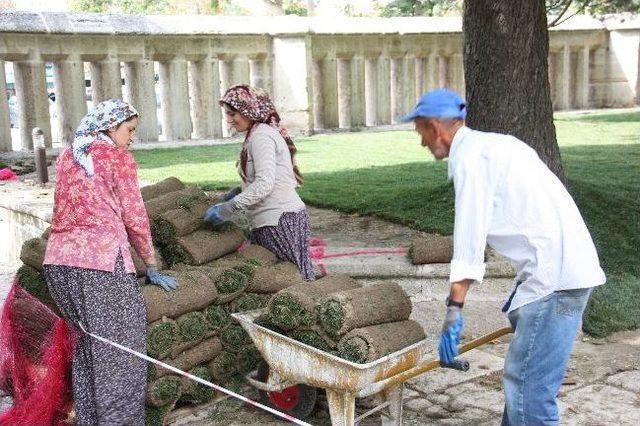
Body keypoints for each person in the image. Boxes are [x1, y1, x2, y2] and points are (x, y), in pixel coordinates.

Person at [403, 89, 606, 425]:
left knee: (529, 396)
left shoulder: (470, 160)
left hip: (553, 281)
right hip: (567, 270)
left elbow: (469, 245)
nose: (422, 143)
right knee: (523, 387)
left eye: (420, 132)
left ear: (434, 127)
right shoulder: (499, 145)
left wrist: (453, 313)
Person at [43, 99, 178, 425]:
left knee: (90, 350)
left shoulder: (69, 155)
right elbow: (135, 215)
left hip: (59, 265)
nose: (131, 138)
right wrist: (150, 261)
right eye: (129, 130)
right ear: (109, 127)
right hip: (100, 266)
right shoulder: (117, 158)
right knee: (121, 358)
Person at [205, 84, 315, 280]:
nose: (229, 120)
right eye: (227, 114)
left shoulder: (262, 136)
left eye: (233, 114)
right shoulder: (255, 134)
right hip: (271, 220)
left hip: (280, 221)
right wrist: (238, 191)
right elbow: (262, 178)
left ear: (249, 110)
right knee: (279, 283)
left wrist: (231, 206)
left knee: (293, 281)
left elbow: (265, 183)